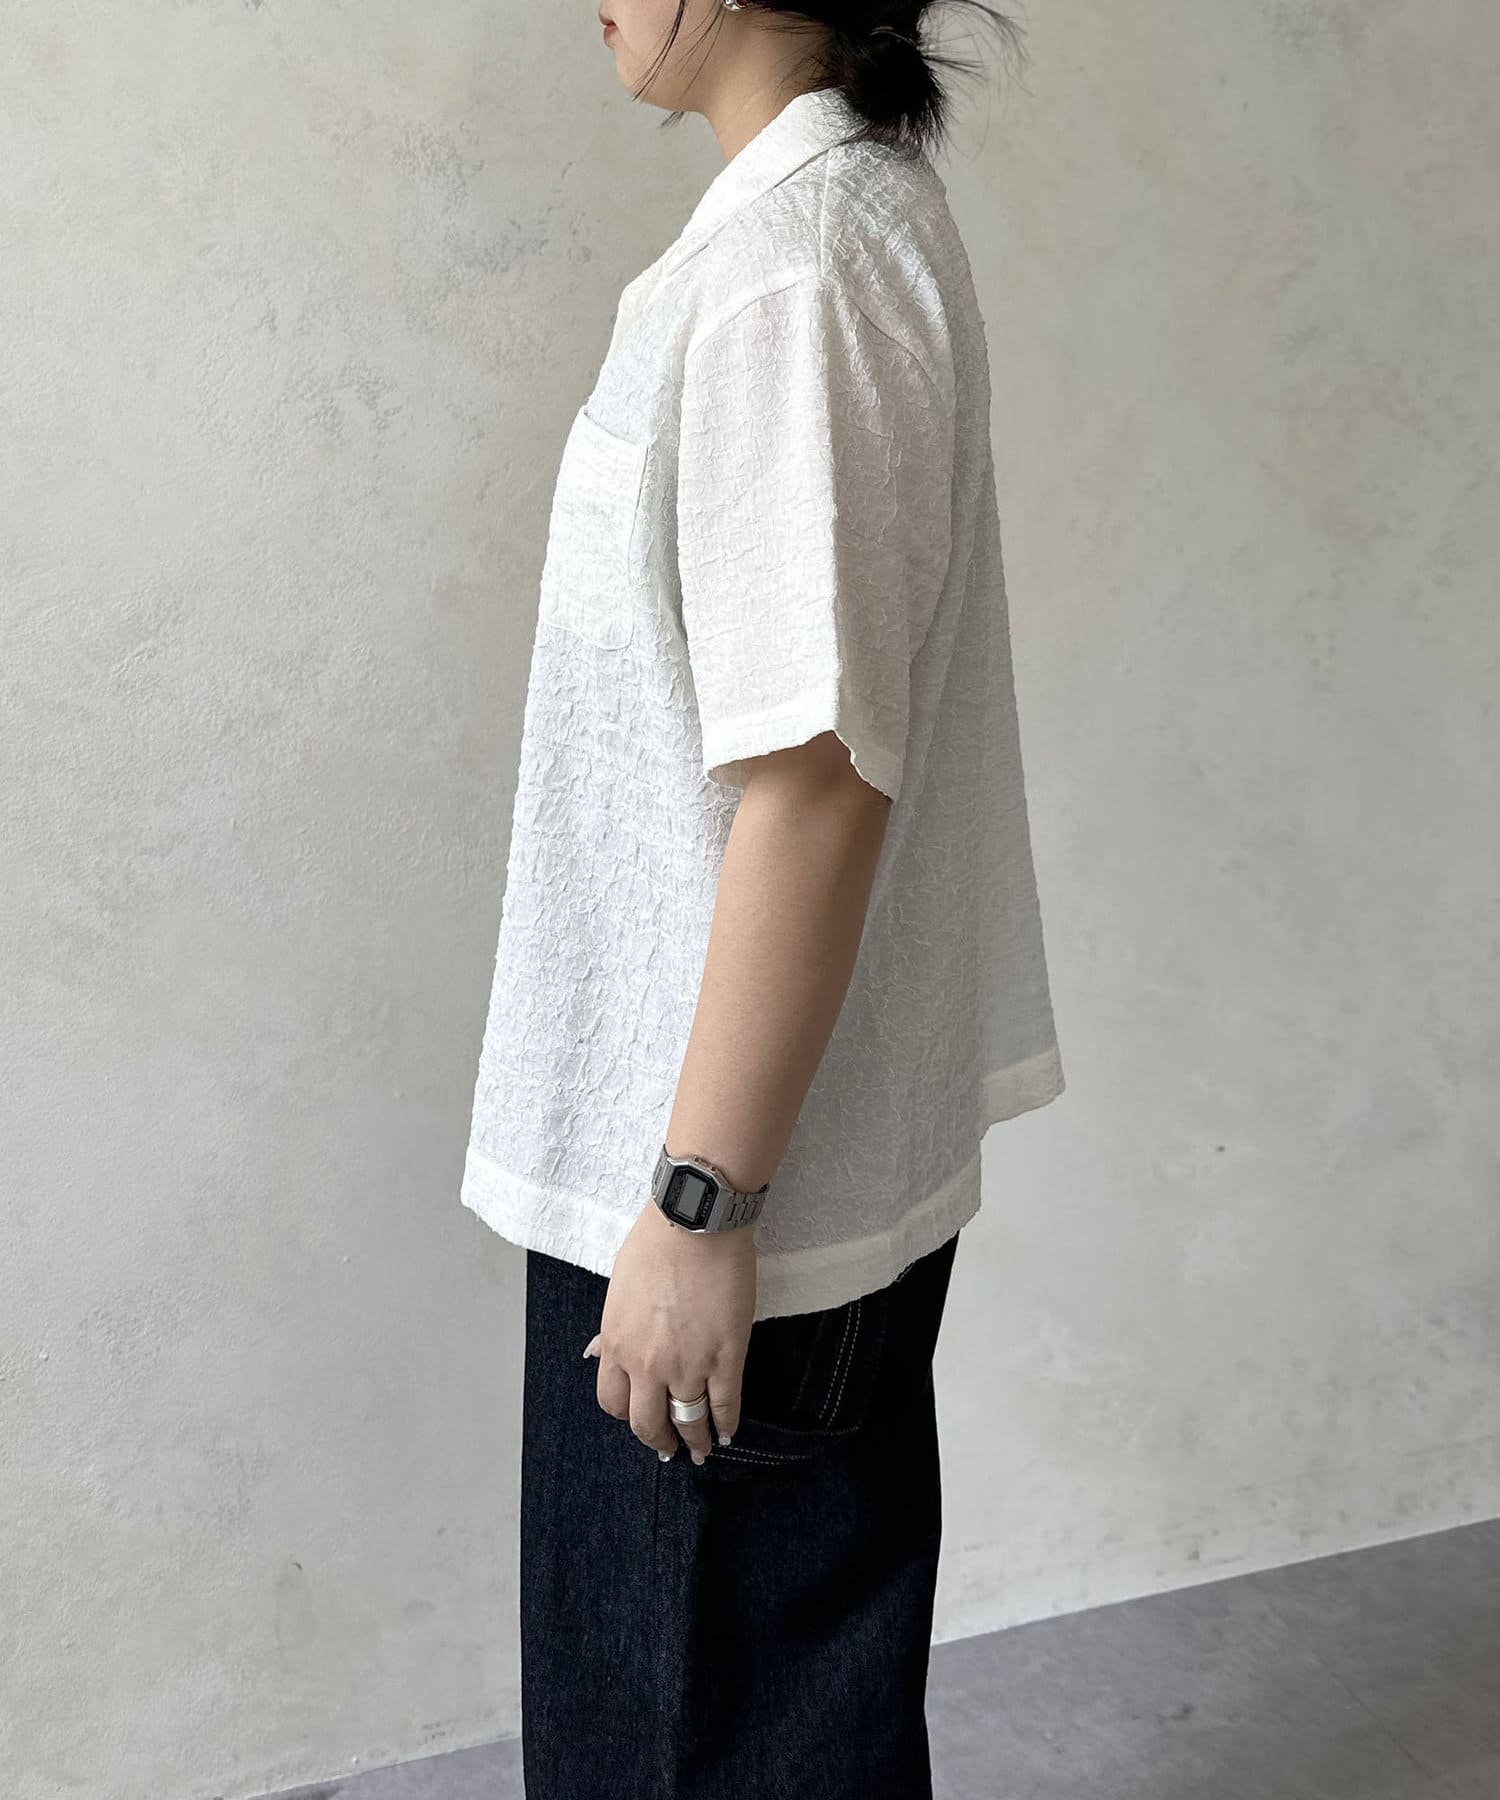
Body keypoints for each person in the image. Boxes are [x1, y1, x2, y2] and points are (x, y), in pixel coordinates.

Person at [459, 3, 1065, 1794]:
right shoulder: (817, 225)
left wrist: (698, 1207)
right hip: (730, 1169)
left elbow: (813, 787)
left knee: (683, 1743)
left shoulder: (798, 274)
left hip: (724, 1200)